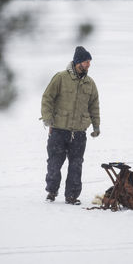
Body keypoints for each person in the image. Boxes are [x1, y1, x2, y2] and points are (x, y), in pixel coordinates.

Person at [41, 46, 100, 205]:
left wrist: (96, 126)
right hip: (59, 130)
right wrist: (48, 119)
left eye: (89, 62)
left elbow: (94, 105)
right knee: (54, 163)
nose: (88, 65)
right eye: (86, 61)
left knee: (76, 165)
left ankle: (72, 196)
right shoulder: (60, 78)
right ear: (77, 62)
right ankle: (52, 192)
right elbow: (47, 98)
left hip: (79, 132)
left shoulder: (90, 83)